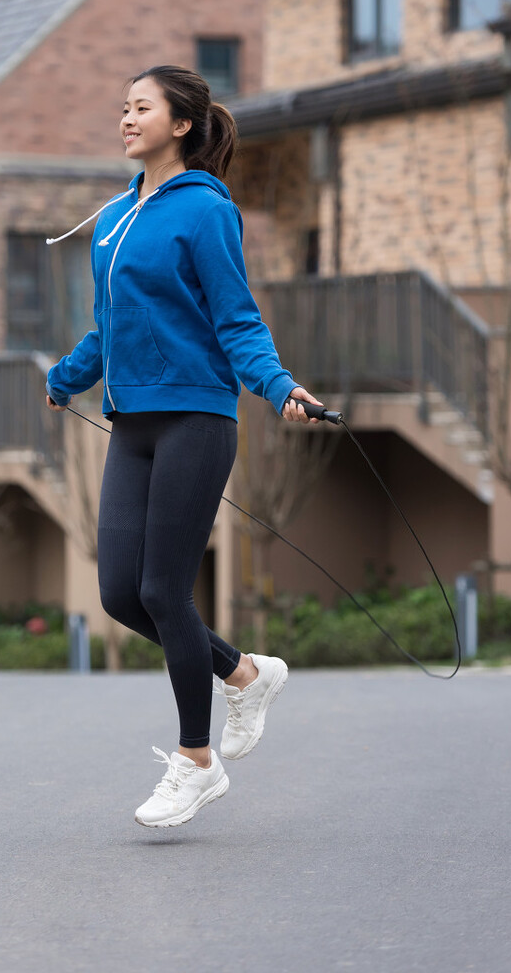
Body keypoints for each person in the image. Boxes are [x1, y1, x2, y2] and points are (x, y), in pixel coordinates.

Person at [45, 65, 324, 828]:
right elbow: (110, 324)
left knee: (166, 590)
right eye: (123, 106)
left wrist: (278, 385)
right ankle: (244, 673)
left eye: (142, 107)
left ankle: (197, 762)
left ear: (180, 124)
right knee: (119, 592)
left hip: (197, 417)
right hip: (132, 423)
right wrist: (66, 377)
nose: (126, 118)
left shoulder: (206, 210)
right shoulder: (113, 217)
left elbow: (236, 318)